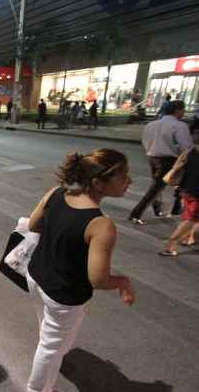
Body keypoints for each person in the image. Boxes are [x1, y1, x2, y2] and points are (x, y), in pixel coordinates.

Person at [26, 149, 135, 392]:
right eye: (123, 176)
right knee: (51, 346)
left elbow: (33, 224)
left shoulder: (56, 192)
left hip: (35, 276)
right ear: (97, 183)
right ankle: (37, 389)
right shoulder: (100, 225)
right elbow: (97, 279)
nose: (130, 181)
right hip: (63, 295)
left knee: (47, 334)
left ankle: (48, 375)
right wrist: (123, 282)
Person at [129, 100, 192, 225]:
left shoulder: (151, 125)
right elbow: (186, 147)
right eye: (183, 110)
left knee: (157, 186)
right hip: (169, 160)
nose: (183, 113)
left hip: (152, 157)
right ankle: (135, 214)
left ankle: (162, 208)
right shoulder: (179, 126)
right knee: (159, 188)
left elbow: (145, 141)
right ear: (177, 111)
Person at [160, 141, 199, 256]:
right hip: (196, 193)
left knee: (190, 216)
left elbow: (177, 167)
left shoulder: (189, 151)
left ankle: (188, 238)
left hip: (185, 190)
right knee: (191, 219)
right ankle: (171, 244)